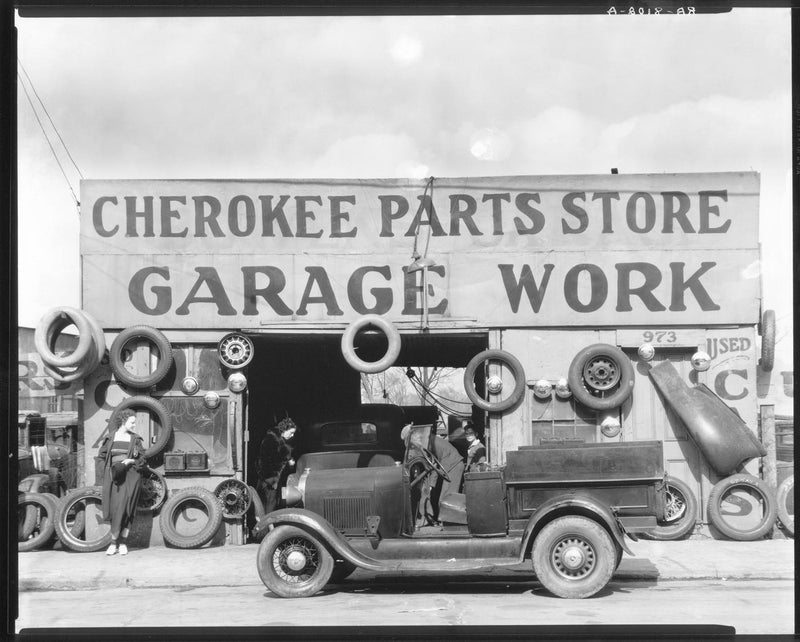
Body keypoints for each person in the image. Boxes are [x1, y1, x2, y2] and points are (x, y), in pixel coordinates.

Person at [98, 408, 146, 556]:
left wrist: (131, 460)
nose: (134, 425)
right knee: (115, 509)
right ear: (124, 421)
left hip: (131, 477)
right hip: (114, 478)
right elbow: (101, 457)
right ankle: (114, 543)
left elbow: (142, 459)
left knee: (127, 509)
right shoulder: (110, 438)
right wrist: (107, 473)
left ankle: (122, 543)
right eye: (132, 422)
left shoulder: (135, 439)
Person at [401, 423, 464, 523]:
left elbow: (433, 463)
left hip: (454, 466)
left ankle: (450, 525)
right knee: (440, 497)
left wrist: (431, 484)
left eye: (409, 440)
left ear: (412, 437)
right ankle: (442, 522)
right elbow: (433, 463)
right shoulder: (425, 440)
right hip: (447, 466)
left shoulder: (427, 442)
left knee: (447, 499)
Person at [256, 416, 297, 514]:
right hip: (269, 479)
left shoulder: (280, 441)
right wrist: (271, 479)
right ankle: (266, 526)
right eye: (291, 433)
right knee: (268, 504)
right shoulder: (271, 440)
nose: (292, 436)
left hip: (272, 479)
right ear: (284, 429)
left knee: (270, 503)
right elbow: (265, 460)